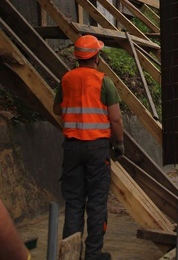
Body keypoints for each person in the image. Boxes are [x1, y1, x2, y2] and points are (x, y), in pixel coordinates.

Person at [53, 34, 124, 260]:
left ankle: (71, 256)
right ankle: (93, 255)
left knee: (74, 202)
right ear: (97, 57)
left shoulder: (66, 80)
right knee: (96, 202)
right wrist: (119, 144)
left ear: (77, 58)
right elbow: (115, 120)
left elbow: (57, 109)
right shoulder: (104, 82)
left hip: (72, 149)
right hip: (97, 149)